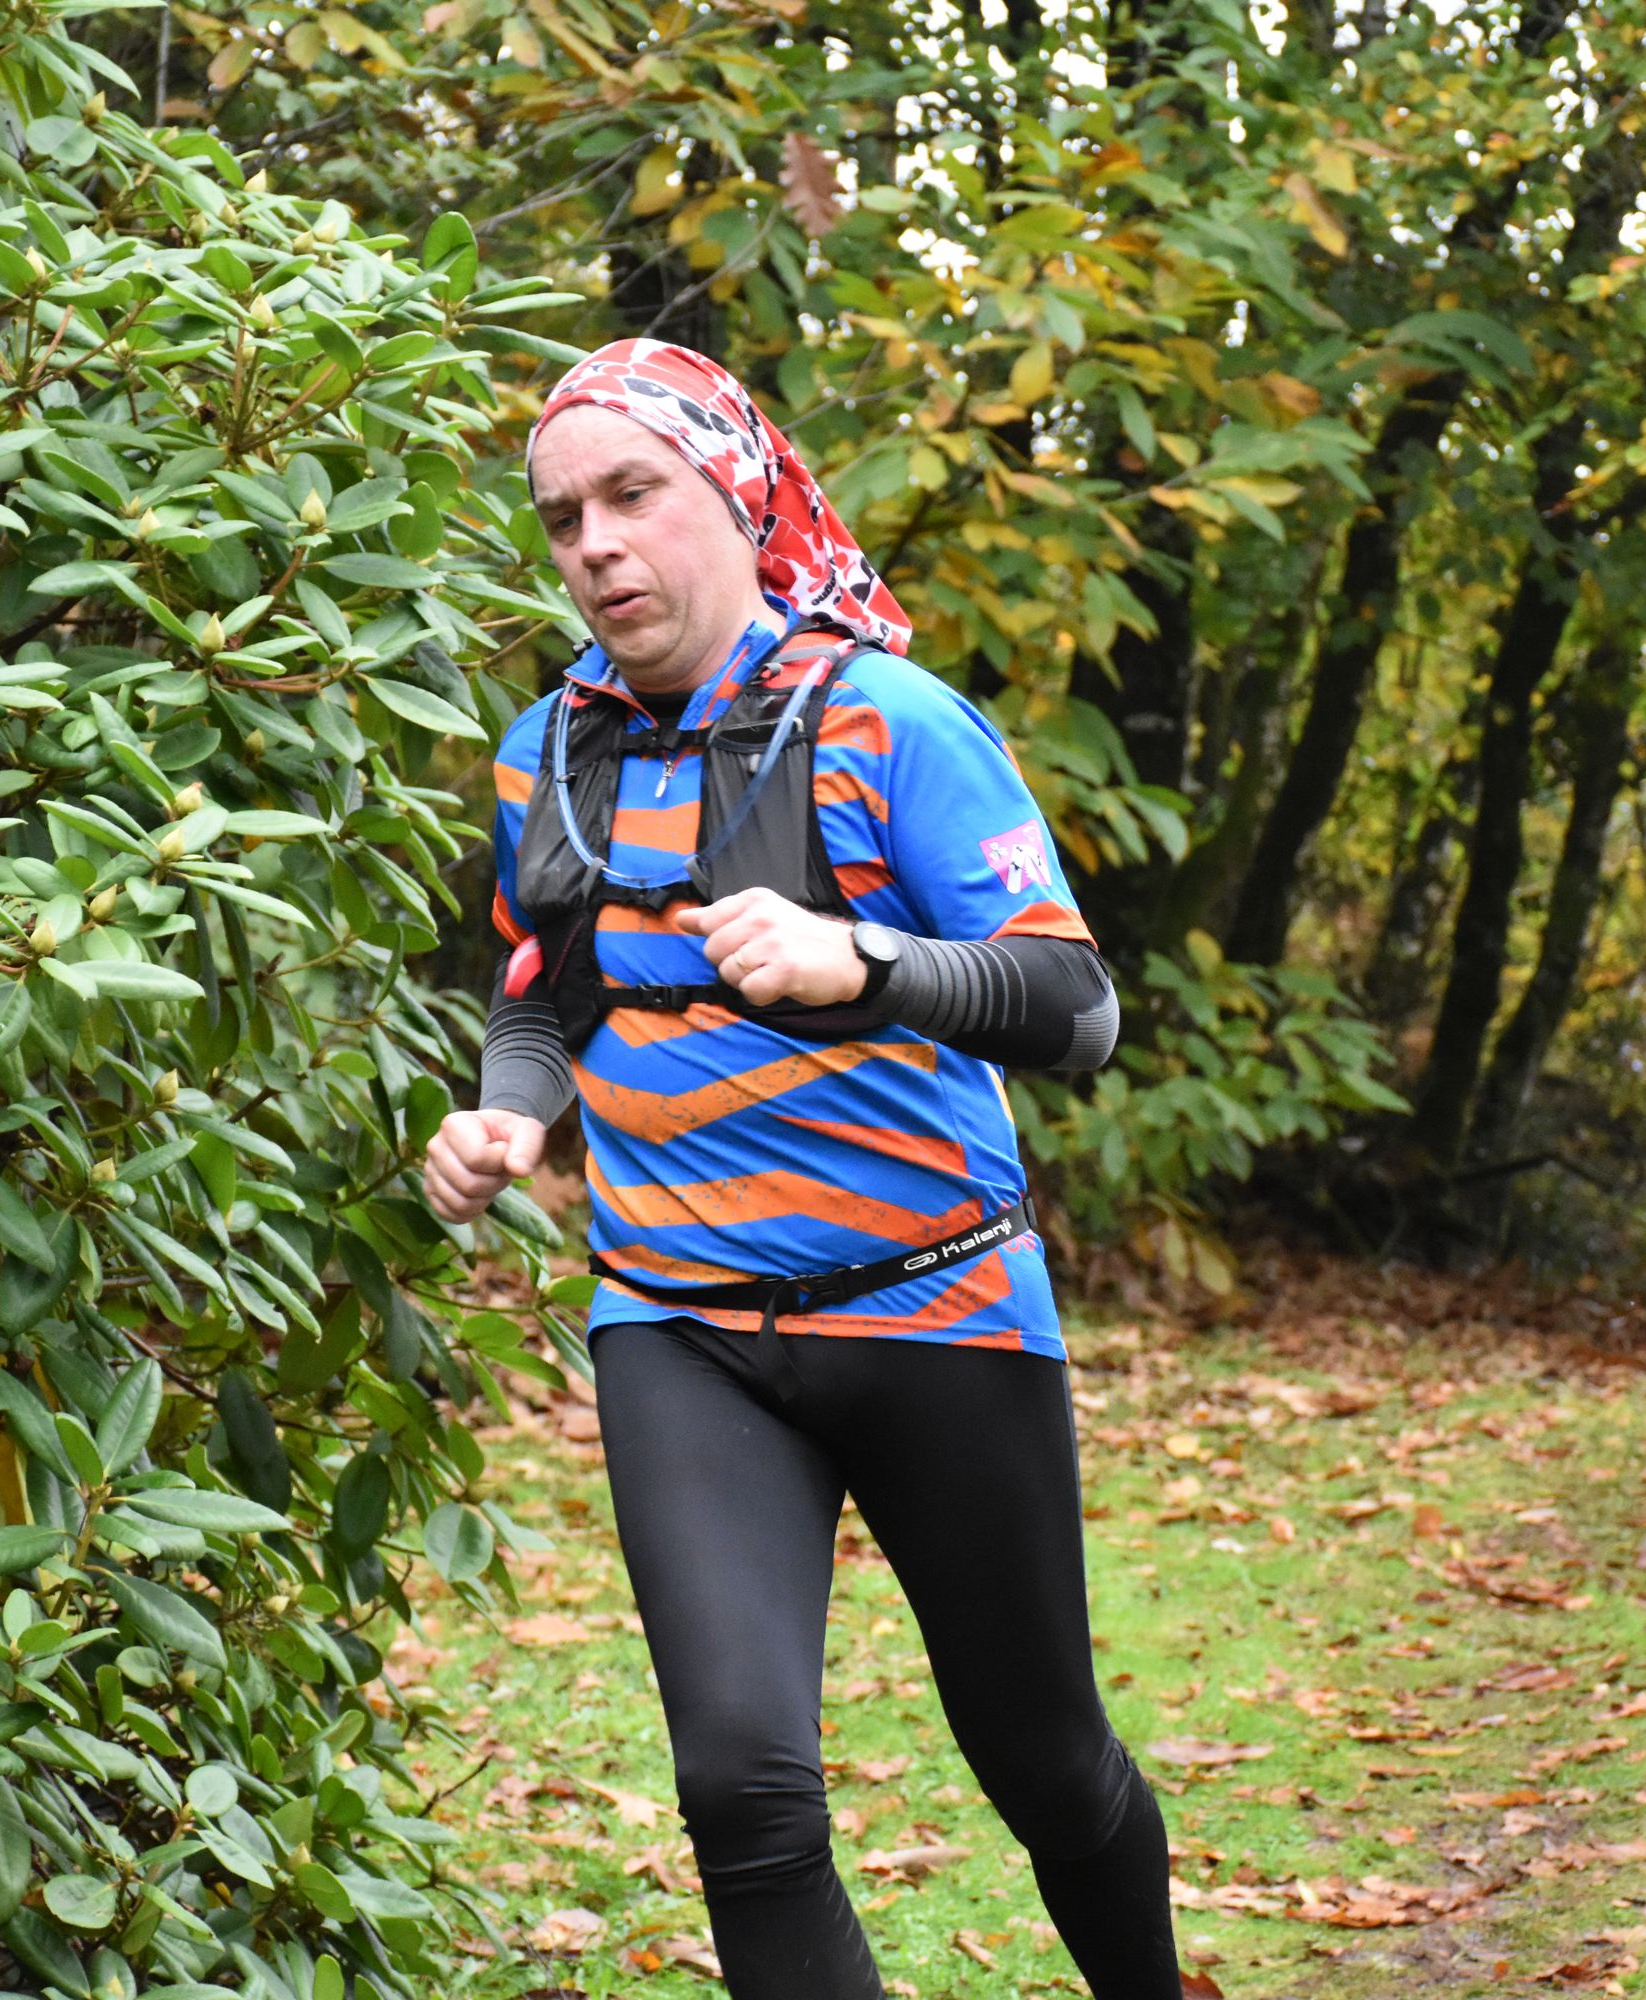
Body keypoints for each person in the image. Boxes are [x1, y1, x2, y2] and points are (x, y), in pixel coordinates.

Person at [420, 339, 1182, 2000]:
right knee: (742, 1796)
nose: (597, 545)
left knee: (1045, 1763)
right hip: (679, 1328)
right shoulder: (545, 749)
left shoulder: (890, 722)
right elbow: (544, 985)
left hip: (932, 1311)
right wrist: (510, 1113)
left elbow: (1079, 1007)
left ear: (736, 496)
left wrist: (869, 963)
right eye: (562, 518)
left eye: (634, 495)